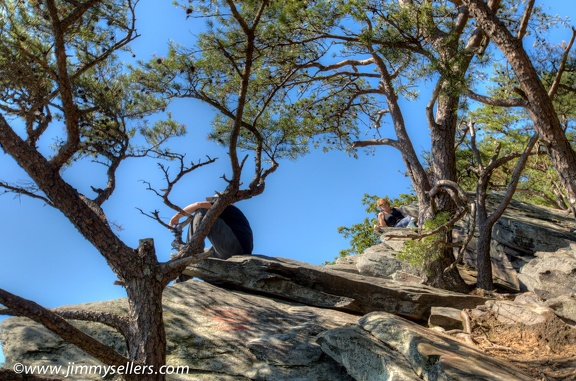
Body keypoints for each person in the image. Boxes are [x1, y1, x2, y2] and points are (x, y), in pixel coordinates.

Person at [169, 195, 253, 260]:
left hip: (233, 246)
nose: (213, 202)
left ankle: (191, 250)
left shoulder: (227, 206)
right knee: (199, 257)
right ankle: (181, 278)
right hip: (235, 250)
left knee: (201, 211)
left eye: (215, 200)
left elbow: (198, 204)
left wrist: (176, 216)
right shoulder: (231, 216)